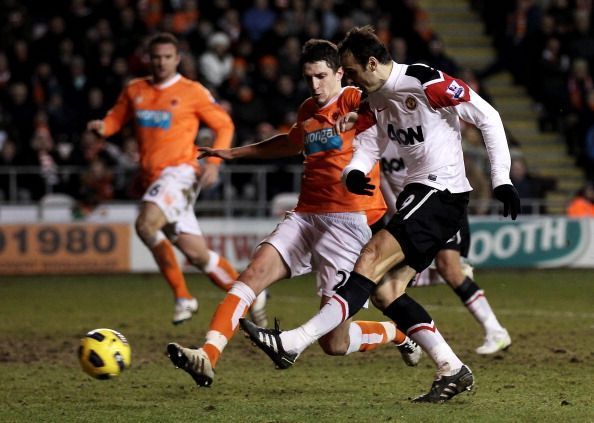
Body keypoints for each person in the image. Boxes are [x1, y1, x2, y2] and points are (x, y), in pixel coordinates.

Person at [240, 26, 520, 403]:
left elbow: (487, 115)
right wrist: (354, 171)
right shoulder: (374, 101)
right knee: (388, 292)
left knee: (369, 258)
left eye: (352, 72)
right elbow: (370, 142)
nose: (349, 80)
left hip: (441, 191)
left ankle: (293, 342)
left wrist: (501, 180)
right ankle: (452, 368)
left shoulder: (424, 80)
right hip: (419, 196)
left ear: (372, 63)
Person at [166, 39, 422, 388]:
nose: (314, 86)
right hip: (305, 216)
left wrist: (360, 111)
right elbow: (289, 142)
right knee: (252, 276)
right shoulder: (307, 109)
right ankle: (207, 355)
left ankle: (396, 333)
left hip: (348, 225)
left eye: (321, 77)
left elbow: (384, 103)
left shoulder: (353, 98)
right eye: (308, 78)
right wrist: (234, 154)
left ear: (340, 73)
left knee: (334, 343)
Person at [87, 33, 267, 325]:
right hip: (152, 178)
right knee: (197, 255)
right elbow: (115, 119)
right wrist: (102, 128)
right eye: (156, 57)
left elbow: (224, 124)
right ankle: (252, 295)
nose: (161, 62)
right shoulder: (135, 90)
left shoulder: (192, 91)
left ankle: (184, 296)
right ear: (148, 58)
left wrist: (214, 163)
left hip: (181, 172)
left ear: (177, 59)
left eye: (167, 57)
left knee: (145, 225)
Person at [379, 140, 511, 355]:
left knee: (448, 267)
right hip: (408, 214)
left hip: (440, 203)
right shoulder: (378, 135)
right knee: (395, 279)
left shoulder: (418, 129)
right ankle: (410, 335)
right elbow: (384, 182)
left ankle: (495, 331)